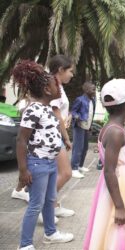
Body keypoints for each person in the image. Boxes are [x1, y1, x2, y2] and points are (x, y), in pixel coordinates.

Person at [13, 60, 74, 250]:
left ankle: (51, 233)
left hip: (49, 162)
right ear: (47, 90)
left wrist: (62, 139)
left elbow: (47, 132)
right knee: (35, 205)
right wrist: (23, 170)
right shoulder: (33, 110)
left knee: (49, 200)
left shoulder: (47, 109)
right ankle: (25, 245)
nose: (59, 87)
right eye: (55, 84)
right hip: (37, 164)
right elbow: (21, 141)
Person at [83, 78, 125, 250]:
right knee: (115, 230)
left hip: (120, 184)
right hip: (118, 186)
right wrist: (120, 206)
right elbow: (109, 170)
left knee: (114, 229)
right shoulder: (116, 132)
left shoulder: (113, 127)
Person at [48, 55, 75, 217]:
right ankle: (45, 207)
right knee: (66, 173)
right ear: (60, 70)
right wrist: (66, 137)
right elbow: (56, 112)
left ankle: (54, 205)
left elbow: (61, 111)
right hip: (53, 135)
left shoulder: (58, 85)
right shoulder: (53, 85)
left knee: (55, 174)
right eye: (70, 71)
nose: (72, 75)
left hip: (55, 134)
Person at [70, 81, 96, 177]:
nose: (94, 91)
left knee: (85, 147)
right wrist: (78, 117)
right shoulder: (80, 100)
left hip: (87, 127)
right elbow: (73, 111)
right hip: (79, 126)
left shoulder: (93, 101)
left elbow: (91, 114)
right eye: (93, 89)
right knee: (78, 148)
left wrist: (90, 125)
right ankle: (74, 168)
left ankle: (80, 166)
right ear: (86, 90)